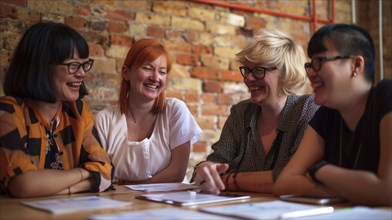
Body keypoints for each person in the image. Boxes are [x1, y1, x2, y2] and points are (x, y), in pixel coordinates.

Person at [274, 24, 392, 206]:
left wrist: (320, 170)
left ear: (356, 65)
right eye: (310, 64)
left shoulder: (387, 96)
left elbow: (387, 191)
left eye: (319, 61)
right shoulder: (327, 113)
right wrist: (357, 191)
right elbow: (284, 182)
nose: (311, 73)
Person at [190, 29, 319, 194]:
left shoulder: (307, 109)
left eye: (259, 70)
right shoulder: (241, 113)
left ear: (286, 73)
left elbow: (294, 178)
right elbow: (217, 163)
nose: (249, 78)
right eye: (247, 70)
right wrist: (204, 168)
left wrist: (229, 180)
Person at [0, 21, 113, 198]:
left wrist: (66, 188)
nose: (82, 73)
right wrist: (83, 173)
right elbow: (23, 185)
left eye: (85, 65)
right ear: (41, 66)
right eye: (73, 65)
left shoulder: (78, 112)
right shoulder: (9, 112)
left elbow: (105, 170)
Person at [95, 38, 202, 185]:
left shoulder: (175, 110)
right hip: (121, 204)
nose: (155, 78)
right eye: (147, 68)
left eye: (162, 72)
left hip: (170, 202)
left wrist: (131, 185)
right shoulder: (104, 120)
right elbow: (100, 174)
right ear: (126, 73)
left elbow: (177, 172)